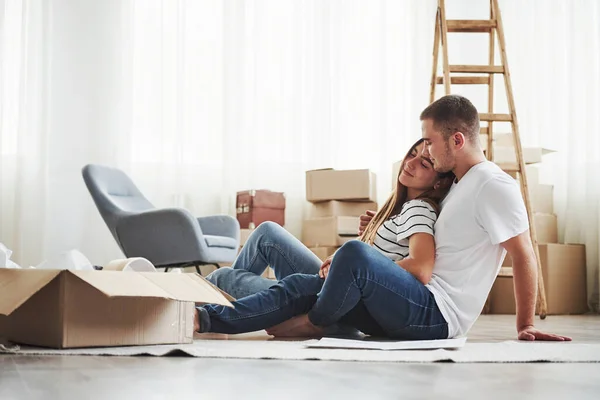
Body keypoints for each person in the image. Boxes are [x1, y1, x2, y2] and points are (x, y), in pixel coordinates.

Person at [205, 94, 571, 342]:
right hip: (410, 297)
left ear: (456, 141)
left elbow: (522, 252)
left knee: (348, 257)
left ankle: (315, 322)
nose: (423, 149)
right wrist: (378, 232)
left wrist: (525, 325)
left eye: (429, 142)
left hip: (436, 314)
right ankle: (232, 311)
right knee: (314, 271)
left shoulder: (493, 185)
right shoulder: (459, 184)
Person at [196, 138, 455, 339]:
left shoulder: (418, 209)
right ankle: (241, 311)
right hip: (343, 292)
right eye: (412, 153)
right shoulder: (401, 208)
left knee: (223, 279)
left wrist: (350, 266)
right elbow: (380, 259)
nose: (410, 163)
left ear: (439, 183)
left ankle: (225, 311)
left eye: (424, 164)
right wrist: (372, 234)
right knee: (267, 233)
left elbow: (417, 268)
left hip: (345, 301)